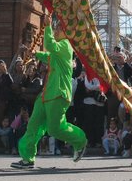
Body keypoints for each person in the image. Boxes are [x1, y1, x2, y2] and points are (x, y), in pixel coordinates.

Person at [12, 23, 87, 168]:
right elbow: (49, 56)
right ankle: (27, 158)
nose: (56, 31)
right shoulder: (58, 51)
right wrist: (35, 53)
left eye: (59, 29)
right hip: (46, 95)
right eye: (55, 28)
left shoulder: (66, 46)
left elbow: (50, 46)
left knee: (55, 129)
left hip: (58, 94)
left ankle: (80, 141)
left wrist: (47, 26)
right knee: (33, 126)